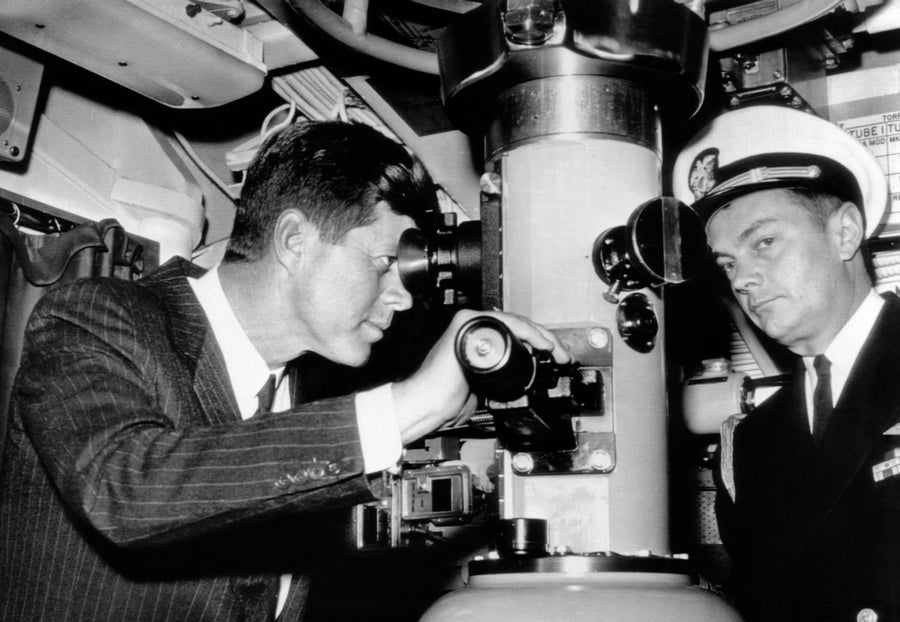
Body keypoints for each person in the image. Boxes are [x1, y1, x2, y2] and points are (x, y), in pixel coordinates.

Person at [0, 120, 571, 621]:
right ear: (295, 239)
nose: (401, 299)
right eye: (383, 264)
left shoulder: (305, 394)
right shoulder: (96, 318)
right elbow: (122, 490)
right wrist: (412, 404)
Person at [673, 104, 897, 622]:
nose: (742, 279)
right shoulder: (750, 444)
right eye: (728, 263)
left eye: (765, 243)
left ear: (844, 233)